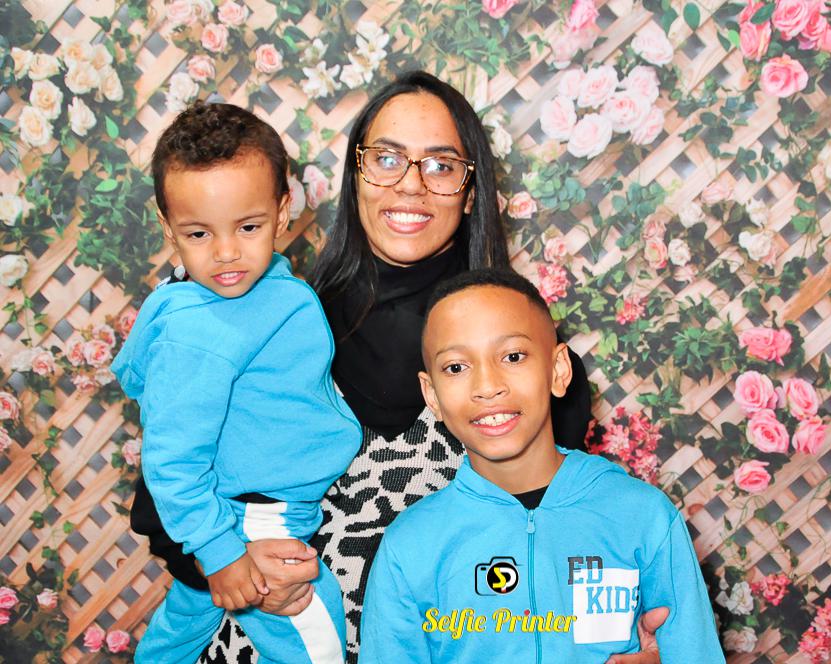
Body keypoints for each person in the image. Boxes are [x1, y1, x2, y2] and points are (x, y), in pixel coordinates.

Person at [127, 71, 665, 664]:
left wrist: (620, 640)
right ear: (355, 176)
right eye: (386, 159)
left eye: (440, 165)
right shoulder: (276, 324)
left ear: (470, 190)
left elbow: (567, 538)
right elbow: (164, 498)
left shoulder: (527, 361)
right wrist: (233, 568)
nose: (411, 184)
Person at [359, 269, 724, 663]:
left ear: (558, 370)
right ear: (432, 395)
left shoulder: (643, 516)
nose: (487, 386)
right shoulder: (410, 545)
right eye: (456, 367)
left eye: (513, 356)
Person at [112, 103, 361, 663]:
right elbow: (171, 460)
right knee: (316, 643)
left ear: (282, 210)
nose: (226, 253)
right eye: (199, 233)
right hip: (255, 519)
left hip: (254, 508)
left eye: (248, 227)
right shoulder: (199, 332)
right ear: (168, 228)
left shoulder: (270, 288)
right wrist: (221, 552)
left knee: (180, 632)